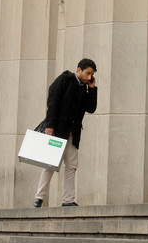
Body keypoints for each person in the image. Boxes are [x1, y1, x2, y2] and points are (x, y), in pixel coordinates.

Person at [33, 58, 98, 208]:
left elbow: (91, 108)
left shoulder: (85, 87)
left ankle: (68, 200)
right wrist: (50, 125)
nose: (89, 77)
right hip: (57, 129)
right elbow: (53, 101)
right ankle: (39, 197)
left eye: (92, 75)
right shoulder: (65, 79)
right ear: (79, 69)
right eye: (88, 73)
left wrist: (92, 88)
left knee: (71, 166)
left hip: (73, 133)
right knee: (50, 163)